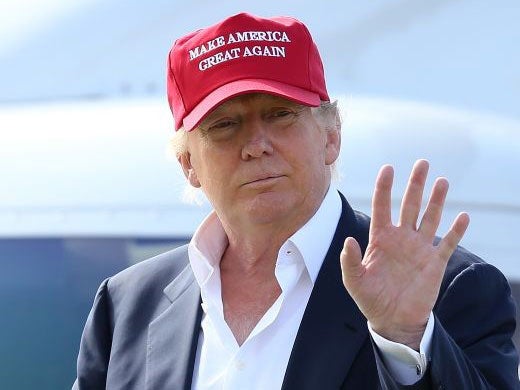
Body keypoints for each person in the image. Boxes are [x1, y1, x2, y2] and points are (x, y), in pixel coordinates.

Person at [73, 12, 519, 389]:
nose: (257, 145)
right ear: (188, 163)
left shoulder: (448, 287)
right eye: (225, 125)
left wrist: (403, 338)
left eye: (281, 114)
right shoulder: (128, 303)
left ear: (331, 136)